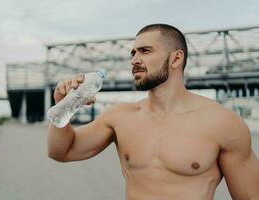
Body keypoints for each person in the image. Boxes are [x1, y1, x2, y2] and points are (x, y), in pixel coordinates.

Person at [48, 24, 259, 200]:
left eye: (145, 51)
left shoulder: (222, 123)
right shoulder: (120, 117)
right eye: (133, 53)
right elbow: (61, 151)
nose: (134, 60)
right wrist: (62, 106)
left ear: (176, 59)